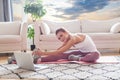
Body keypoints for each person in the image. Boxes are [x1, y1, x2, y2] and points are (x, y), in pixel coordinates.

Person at [32, 28, 100, 63]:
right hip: (82, 52)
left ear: (66, 32)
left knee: (96, 55)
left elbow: (59, 51)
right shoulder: (67, 39)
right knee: (63, 54)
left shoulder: (73, 38)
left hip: (92, 53)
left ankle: (78, 58)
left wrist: (42, 52)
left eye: (61, 35)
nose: (61, 39)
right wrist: (41, 54)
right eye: (59, 38)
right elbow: (59, 50)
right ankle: (39, 59)